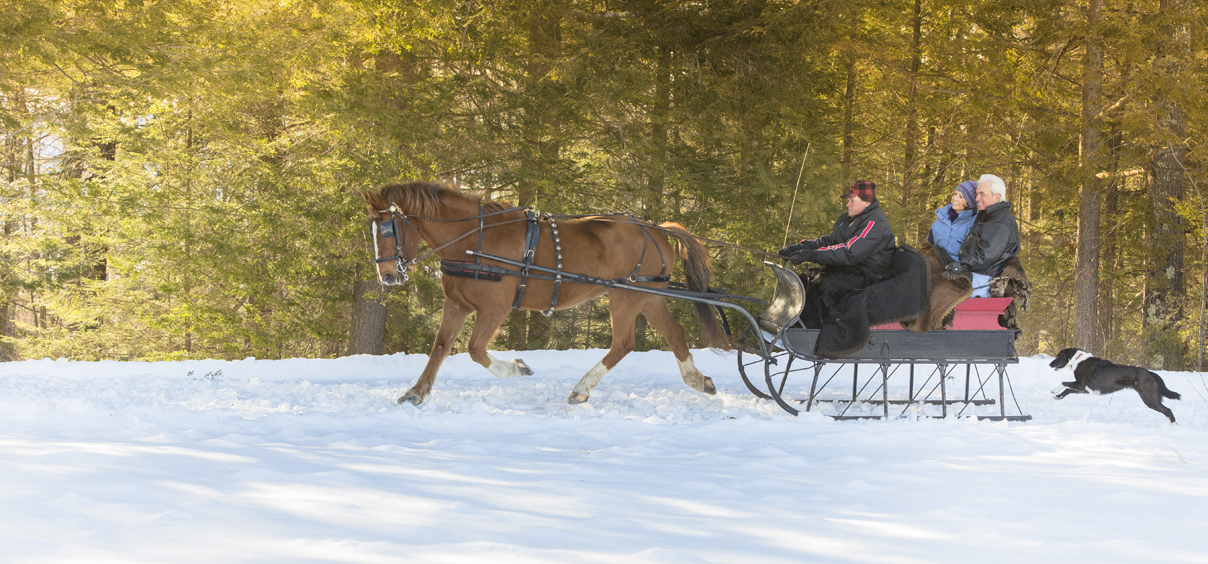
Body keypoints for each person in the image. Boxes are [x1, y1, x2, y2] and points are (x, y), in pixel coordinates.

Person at [778, 180, 896, 325]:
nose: (848, 204)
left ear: (867, 202)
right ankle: (795, 326)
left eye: (852, 200)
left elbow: (850, 252)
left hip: (870, 273)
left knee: (826, 286)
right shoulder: (849, 219)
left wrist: (812, 255)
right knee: (805, 280)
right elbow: (832, 241)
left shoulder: (875, 224)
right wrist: (802, 247)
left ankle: (820, 331)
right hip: (851, 268)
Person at [943, 174, 1020, 298]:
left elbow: (984, 257)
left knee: (939, 290)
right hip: (976, 271)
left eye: (982, 194)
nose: (977, 198)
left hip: (985, 279)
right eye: (977, 194)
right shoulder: (988, 215)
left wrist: (958, 267)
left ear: (997, 197)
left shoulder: (1000, 222)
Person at [927, 180, 978, 263]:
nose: (955, 198)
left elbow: (971, 255)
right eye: (955, 194)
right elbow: (930, 244)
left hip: (958, 271)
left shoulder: (973, 223)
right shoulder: (941, 218)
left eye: (960, 197)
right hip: (935, 267)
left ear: (969, 203)